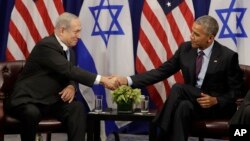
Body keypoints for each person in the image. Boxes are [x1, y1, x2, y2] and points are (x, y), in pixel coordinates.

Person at [114, 15, 243, 141]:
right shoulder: (185, 49)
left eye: (196, 34)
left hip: (213, 107)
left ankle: (159, 129)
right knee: (183, 106)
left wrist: (216, 100)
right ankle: (164, 133)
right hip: (192, 103)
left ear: (210, 38)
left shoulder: (227, 56)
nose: (191, 36)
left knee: (178, 88)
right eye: (192, 32)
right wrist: (128, 80)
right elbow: (161, 72)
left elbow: (236, 92)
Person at [5, 12, 118, 141]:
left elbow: (69, 74)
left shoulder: (70, 51)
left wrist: (71, 86)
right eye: (76, 32)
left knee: (77, 108)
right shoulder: (47, 45)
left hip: (51, 101)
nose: (79, 36)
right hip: (28, 99)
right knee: (32, 113)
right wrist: (102, 80)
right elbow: (68, 69)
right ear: (62, 30)